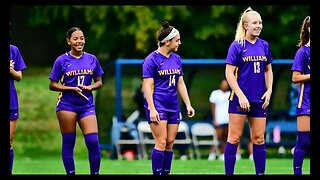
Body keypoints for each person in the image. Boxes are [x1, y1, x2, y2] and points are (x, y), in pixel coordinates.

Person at [224, 7, 273, 175]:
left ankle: (260, 173)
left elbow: (268, 70)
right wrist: (240, 95)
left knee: (259, 139)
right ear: (245, 25)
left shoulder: (264, 45)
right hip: (239, 99)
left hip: (259, 99)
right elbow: (229, 73)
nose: (258, 26)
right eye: (255, 23)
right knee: (234, 138)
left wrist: (269, 90)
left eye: (260, 22)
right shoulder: (237, 46)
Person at [142, 21, 195, 175]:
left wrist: (188, 104)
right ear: (167, 42)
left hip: (173, 106)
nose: (179, 43)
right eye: (177, 40)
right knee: (161, 141)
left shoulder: (177, 59)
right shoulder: (151, 59)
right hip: (157, 105)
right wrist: (152, 108)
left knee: (170, 143)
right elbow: (147, 86)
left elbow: (180, 83)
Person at [49, 27, 104, 175]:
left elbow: (99, 82)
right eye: (75, 38)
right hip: (67, 105)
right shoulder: (61, 60)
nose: (79, 41)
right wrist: (70, 88)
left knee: (93, 142)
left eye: (82, 38)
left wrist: (89, 87)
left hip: (86, 105)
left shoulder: (92, 59)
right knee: (69, 142)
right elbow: (52, 85)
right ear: (68, 41)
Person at [208, 79, 245, 161]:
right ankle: (212, 154)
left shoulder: (230, 93)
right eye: (223, 84)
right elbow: (212, 107)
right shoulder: (215, 94)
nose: (225, 85)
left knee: (231, 137)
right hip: (219, 119)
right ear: (220, 85)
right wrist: (215, 119)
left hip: (229, 120)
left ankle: (235, 154)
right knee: (217, 137)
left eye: (226, 84)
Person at [291, 16, 310, 175]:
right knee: (303, 140)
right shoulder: (302, 52)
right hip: (306, 102)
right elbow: (295, 78)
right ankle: (297, 172)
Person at [10, 44, 27, 174]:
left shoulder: (13, 50)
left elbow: (19, 76)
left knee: (9, 140)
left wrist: (11, 71)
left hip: (10, 101)